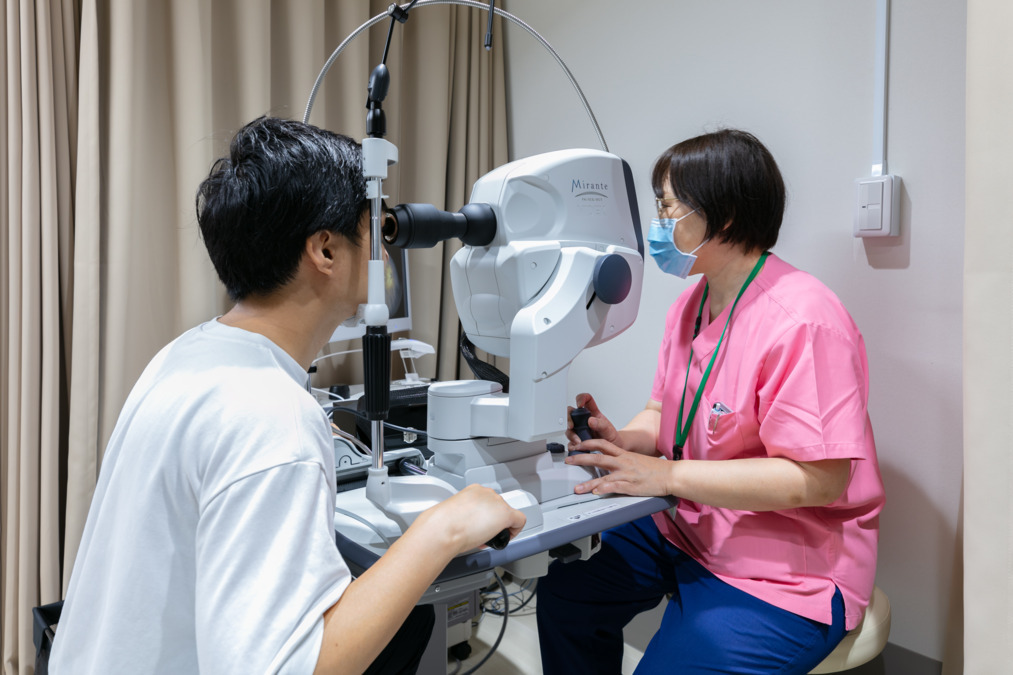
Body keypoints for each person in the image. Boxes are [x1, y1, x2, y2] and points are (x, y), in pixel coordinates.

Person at [49, 116, 525, 675]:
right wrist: (438, 532)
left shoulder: (189, 353)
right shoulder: (270, 414)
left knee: (411, 621)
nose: (385, 249)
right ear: (325, 249)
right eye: (374, 229)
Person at [536, 129, 885, 674]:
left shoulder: (804, 321)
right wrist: (623, 440)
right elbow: (662, 412)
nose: (657, 223)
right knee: (566, 591)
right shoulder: (691, 306)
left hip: (788, 568)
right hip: (689, 524)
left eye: (667, 206)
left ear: (722, 217)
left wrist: (666, 477)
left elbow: (820, 479)